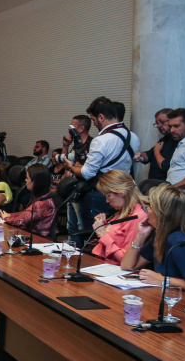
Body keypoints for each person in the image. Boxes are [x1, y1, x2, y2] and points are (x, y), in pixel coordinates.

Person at [121, 184, 185, 300]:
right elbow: (128, 266)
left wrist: (162, 280)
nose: (147, 209)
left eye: (151, 206)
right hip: (175, 298)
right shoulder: (161, 236)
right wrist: (141, 235)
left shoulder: (180, 241)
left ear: (161, 213)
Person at [66, 97, 140, 235]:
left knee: (91, 234)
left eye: (94, 120)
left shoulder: (101, 140)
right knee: (116, 233)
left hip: (99, 194)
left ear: (101, 117)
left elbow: (87, 173)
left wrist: (70, 167)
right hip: (123, 194)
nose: (94, 124)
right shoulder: (133, 137)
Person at [90, 170, 148, 265]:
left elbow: (127, 260)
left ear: (121, 192)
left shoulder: (137, 217)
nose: (107, 201)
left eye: (109, 196)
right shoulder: (123, 212)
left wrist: (103, 234)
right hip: (104, 265)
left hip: (116, 270)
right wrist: (104, 226)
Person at [0, 164, 56, 239]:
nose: (25, 180)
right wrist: (10, 215)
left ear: (36, 182)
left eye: (27, 178)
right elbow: (25, 214)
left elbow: (23, 220)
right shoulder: (43, 196)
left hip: (39, 239)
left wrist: (6, 218)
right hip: (31, 235)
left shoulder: (41, 203)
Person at [61, 114, 93, 243]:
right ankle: (71, 250)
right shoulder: (76, 144)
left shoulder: (91, 144)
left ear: (81, 129)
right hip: (73, 187)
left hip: (84, 189)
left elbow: (87, 169)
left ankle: (82, 250)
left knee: (81, 225)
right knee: (71, 225)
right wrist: (65, 146)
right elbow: (64, 163)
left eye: (72, 126)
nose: (69, 129)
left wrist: (73, 167)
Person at [134, 108, 175, 180]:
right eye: (157, 123)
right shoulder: (164, 139)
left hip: (165, 183)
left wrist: (156, 152)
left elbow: (165, 166)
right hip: (153, 182)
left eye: (162, 122)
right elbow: (149, 155)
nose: (158, 126)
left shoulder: (178, 142)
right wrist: (141, 155)